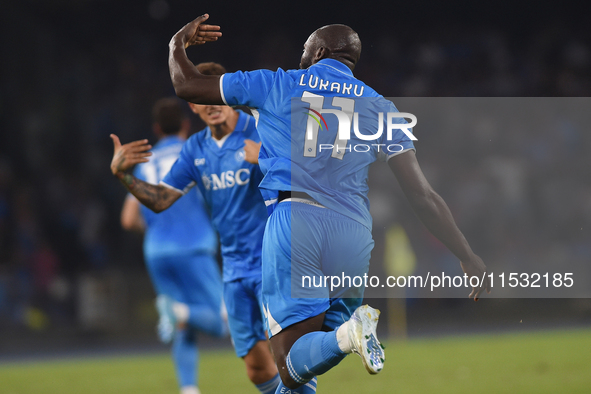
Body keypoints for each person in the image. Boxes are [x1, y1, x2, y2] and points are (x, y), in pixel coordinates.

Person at [165, 14, 491, 394]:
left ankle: (351, 335)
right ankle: (350, 334)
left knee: (288, 365)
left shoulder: (276, 82)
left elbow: (186, 84)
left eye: (305, 48)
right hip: (354, 233)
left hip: (296, 220)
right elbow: (422, 196)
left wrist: (176, 44)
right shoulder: (381, 106)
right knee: (312, 357)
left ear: (319, 51)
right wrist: (466, 254)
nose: (300, 54)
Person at [110, 62, 280, 394]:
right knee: (257, 368)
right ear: (193, 106)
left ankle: (344, 338)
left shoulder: (262, 130)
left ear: (231, 95)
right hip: (233, 268)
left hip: (272, 260)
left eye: (218, 95)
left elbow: (311, 176)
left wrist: (269, 160)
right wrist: (125, 177)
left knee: (287, 352)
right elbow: (159, 200)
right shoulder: (195, 148)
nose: (212, 104)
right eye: (203, 97)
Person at [119, 97, 228, 394]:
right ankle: (176, 312)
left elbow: (129, 219)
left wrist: (155, 226)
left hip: (157, 252)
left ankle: (188, 389)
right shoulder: (194, 153)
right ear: (185, 125)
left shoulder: (145, 163)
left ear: (156, 128)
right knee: (222, 323)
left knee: (182, 323)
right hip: (193, 247)